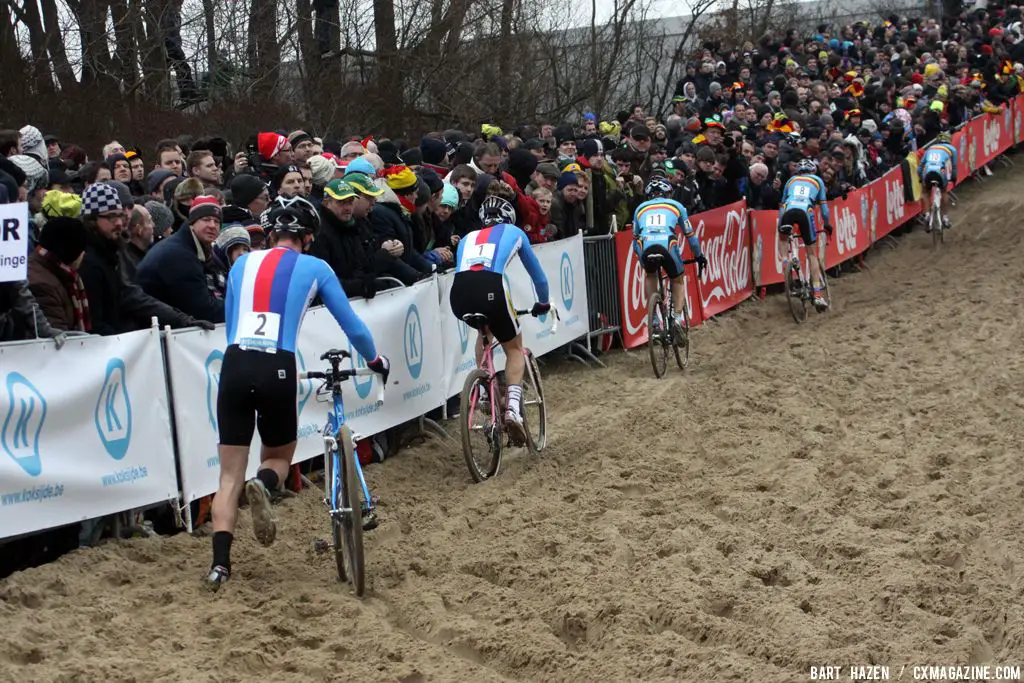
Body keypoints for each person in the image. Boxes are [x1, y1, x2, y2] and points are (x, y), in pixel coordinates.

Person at [206, 194, 390, 591]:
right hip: (277, 364)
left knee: (227, 476)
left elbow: (229, 322)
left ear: (271, 234)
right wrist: (374, 359)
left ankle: (220, 566)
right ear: (307, 238)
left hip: (236, 363)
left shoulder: (241, 263)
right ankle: (266, 484)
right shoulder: (315, 267)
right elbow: (351, 325)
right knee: (277, 458)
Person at [449, 196, 550, 444]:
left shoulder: (466, 238)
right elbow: (539, 278)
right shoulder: (515, 232)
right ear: (510, 218)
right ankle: (513, 408)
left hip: (459, 291)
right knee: (515, 348)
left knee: (484, 333)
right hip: (492, 286)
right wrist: (544, 303)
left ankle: (485, 391)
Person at [631, 177, 707, 331]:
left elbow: (635, 242)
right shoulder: (677, 205)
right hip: (667, 245)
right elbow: (690, 237)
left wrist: (642, 262)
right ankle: (678, 319)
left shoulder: (640, 208)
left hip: (646, 246)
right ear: (668, 193)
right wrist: (699, 256)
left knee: (650, 275)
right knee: (678, 280)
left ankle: (653, 319)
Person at [777, 158, 833, 311]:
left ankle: (786, 262)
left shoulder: (790, 181)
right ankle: (817, 294)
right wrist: (827, 224)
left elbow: (782, 206)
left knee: (782, 239)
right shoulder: (818, 181)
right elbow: (825, 209)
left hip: (788, 211)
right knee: (811, 254)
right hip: (805, 212)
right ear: (813, 171)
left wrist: (780, 225)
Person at [918, 131, 957, 231]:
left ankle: (927, 214)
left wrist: (920, 178)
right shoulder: (952, 149)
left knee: (925, 192)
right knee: (944, 191)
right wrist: (953, 178)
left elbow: (920, 167)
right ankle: (945, 218)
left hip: (928, 172)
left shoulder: (930, 149)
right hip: (940, 172)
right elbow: (954, 166)